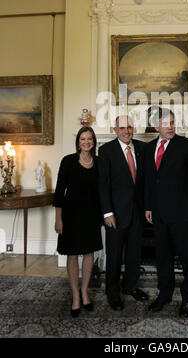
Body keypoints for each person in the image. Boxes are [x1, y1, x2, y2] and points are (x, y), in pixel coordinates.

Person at [145, 108, 188, 318]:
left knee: (187, 258)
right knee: (163, 257)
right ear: (156, 126)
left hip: (182, 212)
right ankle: (164, 294)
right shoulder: (149, 148)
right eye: (166, 123)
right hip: (158, 214)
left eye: (173, 122)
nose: (171, 127)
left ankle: (187, 299)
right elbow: (149, 180)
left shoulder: (186, 145)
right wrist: (148, 206)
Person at [97, 115, 149, 311]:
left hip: (138, 212)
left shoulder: (142, 148)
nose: (127, 131)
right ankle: (112, 292)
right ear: (115, 130)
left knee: (135, 253)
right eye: (122, 128)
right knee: (115, 255)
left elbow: (145, 181)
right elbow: (103, 185)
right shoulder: (106, 151)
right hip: (115, 214)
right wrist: (107, 212)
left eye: (129, 127)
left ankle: (131, 287)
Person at [53, 126, 102, 318]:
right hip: (70, 216)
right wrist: (58, 219)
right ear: (78, 142)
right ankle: (75, 296)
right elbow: (59, 192)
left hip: (91, 216)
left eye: (89, 139)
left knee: (89, 253)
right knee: (72, 255)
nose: (86, 142)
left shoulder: (99, 162)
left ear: (94, 141)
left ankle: (84, 292)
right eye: (83, 139)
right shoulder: (68, 161)